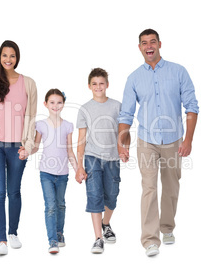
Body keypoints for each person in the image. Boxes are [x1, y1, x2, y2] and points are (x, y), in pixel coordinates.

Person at [117, 29, 199, 257]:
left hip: (174, 140)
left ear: (160, 44)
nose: (149, 46)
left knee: (172, 185)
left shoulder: (178, 71)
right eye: (144, 43)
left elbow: (191, 106)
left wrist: (188, 139)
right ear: (140, 47)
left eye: (152, 41)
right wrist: (121, 144)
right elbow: (126, 115)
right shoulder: (133, 78)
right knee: (149, 188)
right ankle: (150, 240)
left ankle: (167, 228)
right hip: (147, 141)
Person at [0, 40, 38, 255]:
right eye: (5, 55)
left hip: (18, 146)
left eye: (12, 56)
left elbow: (31, 117)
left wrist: (28, 146)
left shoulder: (28, 83)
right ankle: (1, 241)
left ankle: (13, 233)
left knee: (14, 191)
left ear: (17, 58)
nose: (8, 59)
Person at [19, 89, 78, 254]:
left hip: (63, 173)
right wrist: (26, 152)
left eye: (59, 102)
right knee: (50, 206)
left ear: (63, 104)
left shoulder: (67, 125)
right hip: (46, 173)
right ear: (45, 104)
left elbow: (70, 151)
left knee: (61, 204)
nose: (55, 105)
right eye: (52, 102)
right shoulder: (41, 125)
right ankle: (52, 240)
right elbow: (36, 146)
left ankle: (60, 233)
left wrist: (78, 169)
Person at [75, 68, 122, 254]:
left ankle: (106, 223)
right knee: (94, 196)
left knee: (112, 195)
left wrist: (124, 149)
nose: (98, 87)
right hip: (92, 157)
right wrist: (79, 166)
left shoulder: (117, 106)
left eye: (101, 83)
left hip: (112, 157)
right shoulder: (85, 109)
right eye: (94, 83)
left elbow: (123, 133)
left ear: (107, 85)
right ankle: (98, 238)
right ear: (89, 86)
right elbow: (81, 139)